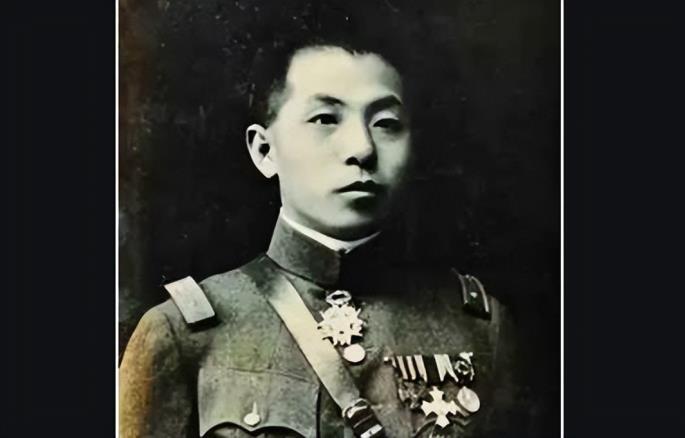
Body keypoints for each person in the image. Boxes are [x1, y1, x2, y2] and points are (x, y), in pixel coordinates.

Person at [119, 24, 522, 438]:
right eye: (325, 119)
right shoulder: (185, 333)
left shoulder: (480, 330)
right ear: (264, 151)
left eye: (386, 123)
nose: (362, 148)